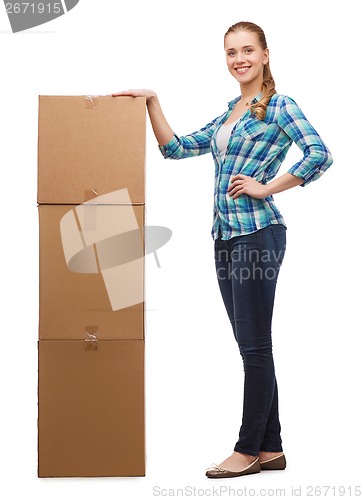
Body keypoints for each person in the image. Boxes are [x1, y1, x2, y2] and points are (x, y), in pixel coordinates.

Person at [112, 20, 333, 479]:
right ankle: (271, 448)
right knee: (250, 346)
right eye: (231, 52)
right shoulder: (230, 112)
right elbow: (176, 149)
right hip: (223, 238)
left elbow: (319, 154)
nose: (239, 59)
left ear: (266, 54)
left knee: (255, 346)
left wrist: (267, 186)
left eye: (248, 50)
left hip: (258, 235)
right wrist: (153, 102)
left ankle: (246, 449)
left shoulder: (279, 106)